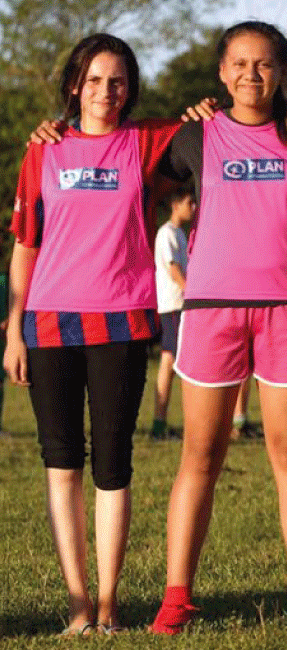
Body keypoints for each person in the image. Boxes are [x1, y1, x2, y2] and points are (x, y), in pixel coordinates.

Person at [148, 21, 287, 634]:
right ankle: (177, 596)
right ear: (222, 72)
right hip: (211, 310)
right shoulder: (195, 137)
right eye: (239, 64)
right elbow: (133, 163)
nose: (251, 74)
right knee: (200, 457)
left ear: (281, 72)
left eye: (264, 64)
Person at [5, 33, 181, 636]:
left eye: (120, 80)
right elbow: (25, 245)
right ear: (75, 85)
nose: (108, 91)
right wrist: (13, 330)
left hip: (124, 323)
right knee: (61, 464)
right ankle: (77, 600)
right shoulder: (43, 152)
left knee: (113, 463)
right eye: (96, 79)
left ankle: (108, 603)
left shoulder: (148, 141)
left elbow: (224, 123)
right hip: (49, 324)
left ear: (130, 89)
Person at [153, 187, 195, 440]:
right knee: (169, 362)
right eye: (190, 202)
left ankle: (166, 422)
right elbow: (173, 270)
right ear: (175, 204)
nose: (193, 208)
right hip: (173, 306)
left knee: (176, 363)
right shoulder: (166, 233)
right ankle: (159, 423)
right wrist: (192, 295)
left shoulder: (180, 233)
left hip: (180, 305)